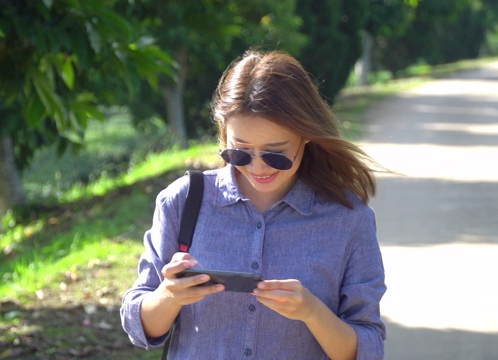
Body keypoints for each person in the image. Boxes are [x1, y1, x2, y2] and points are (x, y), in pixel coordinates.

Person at [120, 50, 386, 360]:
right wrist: (168, 295)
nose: (258, 168)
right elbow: (137, 326)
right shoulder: (182, 201)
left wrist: (313, 312)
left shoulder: (348, 220)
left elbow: (368, 348)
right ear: (224, 135)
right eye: (241, 152)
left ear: (307, 136)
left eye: (275, 153)